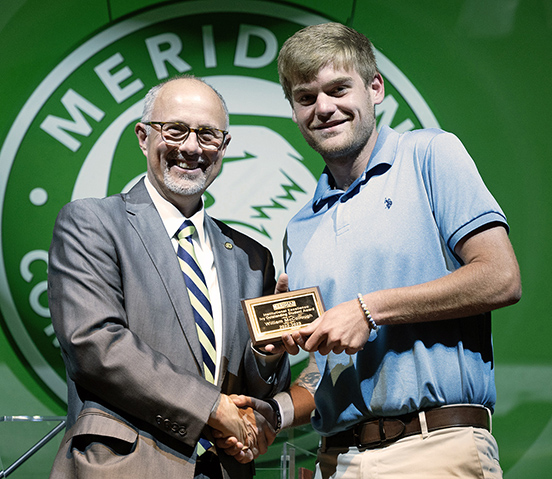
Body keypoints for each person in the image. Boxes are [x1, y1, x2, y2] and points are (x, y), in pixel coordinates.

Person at [232, 22, 522, 478]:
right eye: (306, 97)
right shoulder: (300, 227)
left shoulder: (430, 154)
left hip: (435, 447)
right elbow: (326, 367)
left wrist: (369, 310)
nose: (324, 108)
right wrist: (279, 412)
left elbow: (500, 276)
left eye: (338, 89)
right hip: (335, 460)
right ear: (293, 111)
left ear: (375, 88)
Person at [47, 75, 290, 479]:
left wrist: (268, 354)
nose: (191, 147)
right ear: (143, 137)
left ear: (224, 148)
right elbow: (94, 345)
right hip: (123, 467)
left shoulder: (252, 258)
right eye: (175, 129)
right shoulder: (92, 222)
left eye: (208, 135)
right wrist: (212, 408)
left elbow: (256, 394)